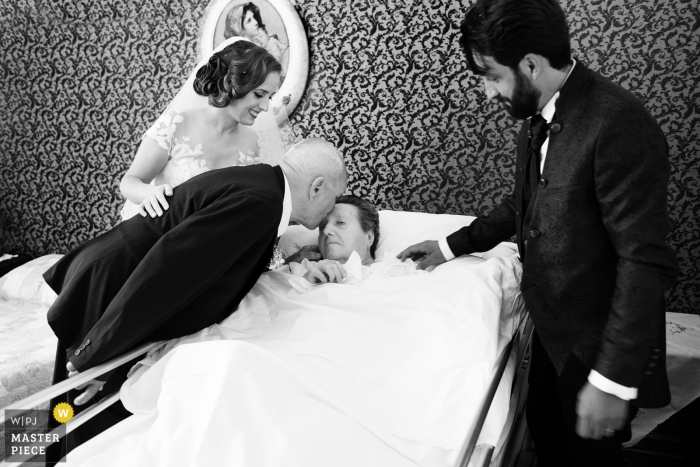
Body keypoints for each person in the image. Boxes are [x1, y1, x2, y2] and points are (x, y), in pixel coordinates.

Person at [397, 0, 678, 465]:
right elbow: (525, 204)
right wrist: (452, 244)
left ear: (530, 64)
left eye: (491, 76)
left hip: (594, 344)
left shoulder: (617, 121)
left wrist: (611, 380)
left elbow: (645, 261)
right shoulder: (539, 115)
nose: (487, 92)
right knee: (547, 439)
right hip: (549, 330)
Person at [44, 137, 347, 459]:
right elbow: (168, 271)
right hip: (116, 291)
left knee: (69, 416)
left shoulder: (259, 183)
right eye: (335, 196)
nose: (332, 207)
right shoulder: (262, 202)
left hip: (118, 282)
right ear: (316, 187)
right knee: (86, 418)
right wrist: (99, 351)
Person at [119, 37, 284, 220]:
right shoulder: (177, 123)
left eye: (269, 97)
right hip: (163, 238)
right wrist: (148, 193)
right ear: (232, 84)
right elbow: (130, 182)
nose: (265, 107)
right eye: (259, 94)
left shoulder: (255, 143)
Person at [224, 2, 290, 77]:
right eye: (249, 21)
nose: (256, 22)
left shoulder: (269, 42)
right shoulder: (245, 57)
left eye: (253, 17)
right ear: (240, 30)